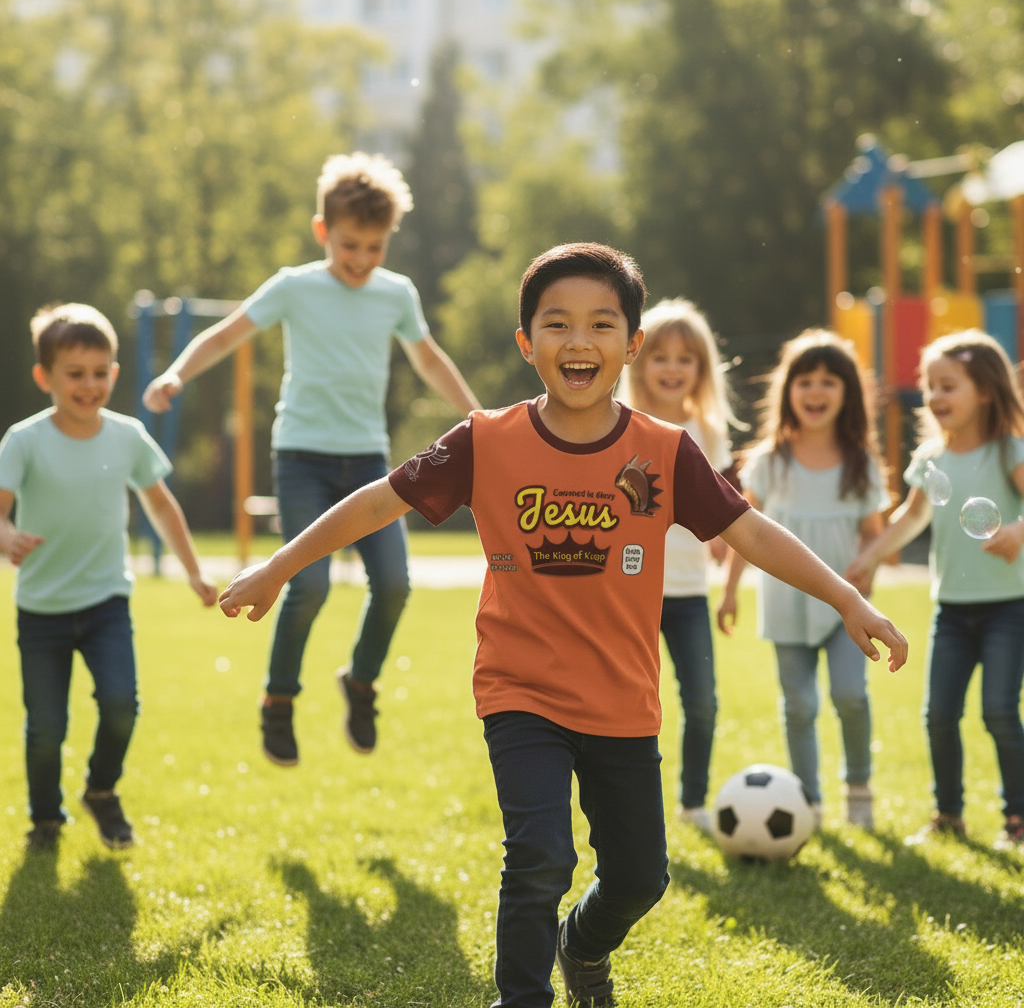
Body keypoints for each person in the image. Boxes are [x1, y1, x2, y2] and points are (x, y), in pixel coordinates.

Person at [218, 243, 907, 1008]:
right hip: (521, 693)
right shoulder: (486, 440)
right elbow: (379, 501)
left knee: (641, 878)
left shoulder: (664, 452)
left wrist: (849, 598)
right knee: (539, 855)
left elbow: (749, 532)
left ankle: (581, 945)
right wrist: (279, 566)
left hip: (622, 701)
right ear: (527, 343)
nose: (579, 342)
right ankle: (521, 997)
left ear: (631, 345)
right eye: (557, 325)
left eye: (601, 324)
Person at [142, 151, 480, 766]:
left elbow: (427, 358)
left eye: (374, 248)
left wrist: (477, 416)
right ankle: (278, 700)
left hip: (369, 460)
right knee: (308, 582)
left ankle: (361, 682)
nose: (360, 260)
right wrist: (175, 374)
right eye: (350, 245)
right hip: (301, 456)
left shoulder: (395, 294)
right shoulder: (295, 287)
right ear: (324, 231)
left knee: (396, 584)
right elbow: (227, 333)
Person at [0, 303, 217, 852]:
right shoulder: (23, 441)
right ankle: (45, 820)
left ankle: (101, 790)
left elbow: (163, 508)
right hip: (42, 607)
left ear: (115, 374)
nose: (89, 384)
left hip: (106, 602)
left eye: (100, 373)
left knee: (122, 703)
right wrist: (5, 536)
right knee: (46, 727)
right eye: (75, 374)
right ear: (45, 377)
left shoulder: (127, 437)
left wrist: (193, 570)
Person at [847, 329, 1024, 850]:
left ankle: (1017, 819)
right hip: (952, 610)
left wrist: (1017, 531)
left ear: (986, 391)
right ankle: (948, 814)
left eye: (949, 385)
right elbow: (911, 517)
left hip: (1008, 609)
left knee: (998, 710)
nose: (935, 397)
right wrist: (870, 556)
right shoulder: (930, 458)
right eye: (930, 387)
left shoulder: (1008, 450)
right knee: (939, 714)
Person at [716, 330, 888, 830]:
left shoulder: (861, 465)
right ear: (788, 390)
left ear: (848, 394)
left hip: (844, 610)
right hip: (786, 603)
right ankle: (807, 802)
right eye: (806, 381)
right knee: (799, 705)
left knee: (851, 696)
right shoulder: (769, 461)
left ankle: (858, 788)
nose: (816, 392)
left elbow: (874, 535)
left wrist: (867, 568)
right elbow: (747, 533)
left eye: (829, 382)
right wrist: (729, 592)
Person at [617, 298, 745, 831]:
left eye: (685, 358)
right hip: (627, 595)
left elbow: (731, 517)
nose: (672, 368)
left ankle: (692, 804)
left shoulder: (710, 435)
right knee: (628, 709)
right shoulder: (619, 427)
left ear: (702, 368)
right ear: (639, 362)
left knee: (703, 703)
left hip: (690, 596)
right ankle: (626, 806)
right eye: (661, 357)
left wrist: (729, 583)